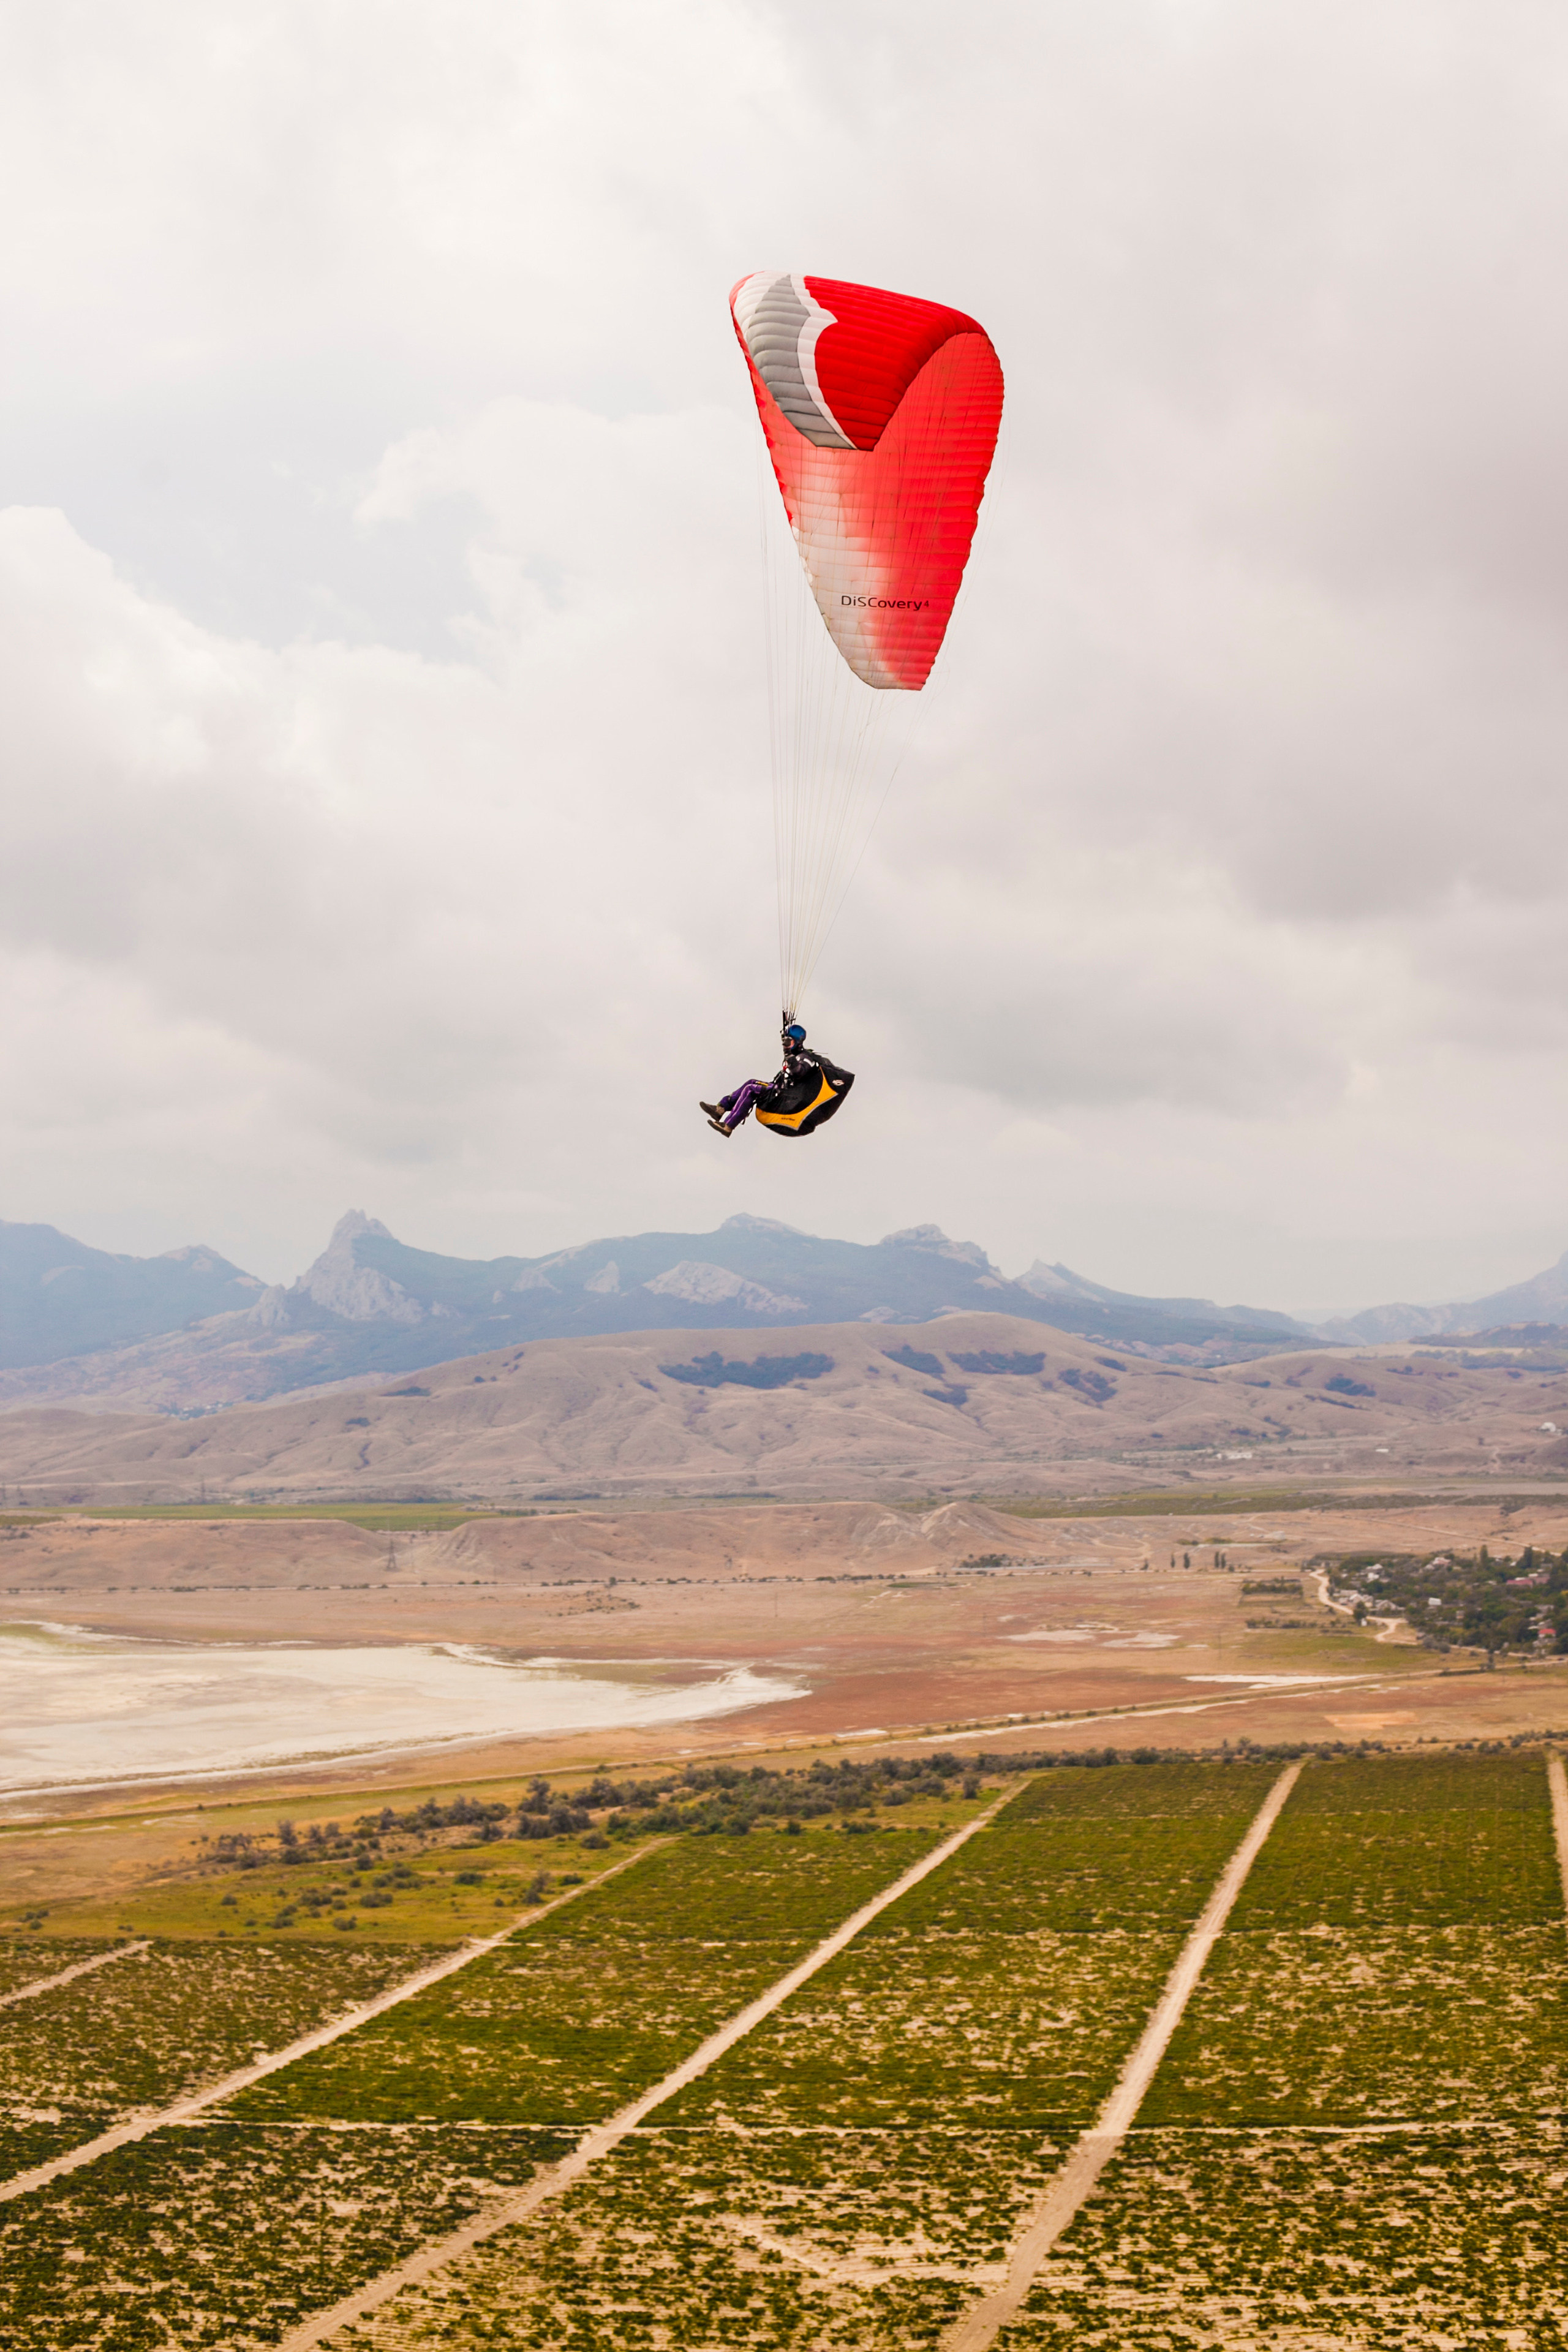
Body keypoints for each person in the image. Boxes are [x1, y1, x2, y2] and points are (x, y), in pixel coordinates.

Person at [701, 1022, 854, 1139]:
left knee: (751, 1090)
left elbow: (799, 1073)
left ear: (798, 1043)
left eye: (791, 1042)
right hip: (778, 1090)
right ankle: (720, 1109)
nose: (788, 1045)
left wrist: (788, 1054)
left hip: (785, 1098)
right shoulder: (797, 1055)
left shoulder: (807, 1058)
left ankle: (728, 1126)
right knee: (751, 1082)